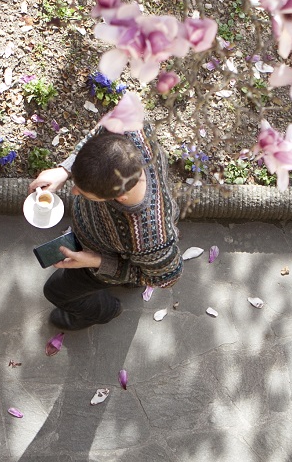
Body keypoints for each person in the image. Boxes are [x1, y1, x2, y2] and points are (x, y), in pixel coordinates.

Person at [26, 122, 181, 331]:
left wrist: (96, 261)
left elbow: (166, 278)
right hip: (104, 244)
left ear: (119, 197)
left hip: (102, 260)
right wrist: (65, 169)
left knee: (56, 291)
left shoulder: (150, 239)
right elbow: (103, 127)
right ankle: (130, 283)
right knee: (134, 274)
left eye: (83, 192)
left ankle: (105, 311)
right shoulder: (131, 127)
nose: (73, 193)